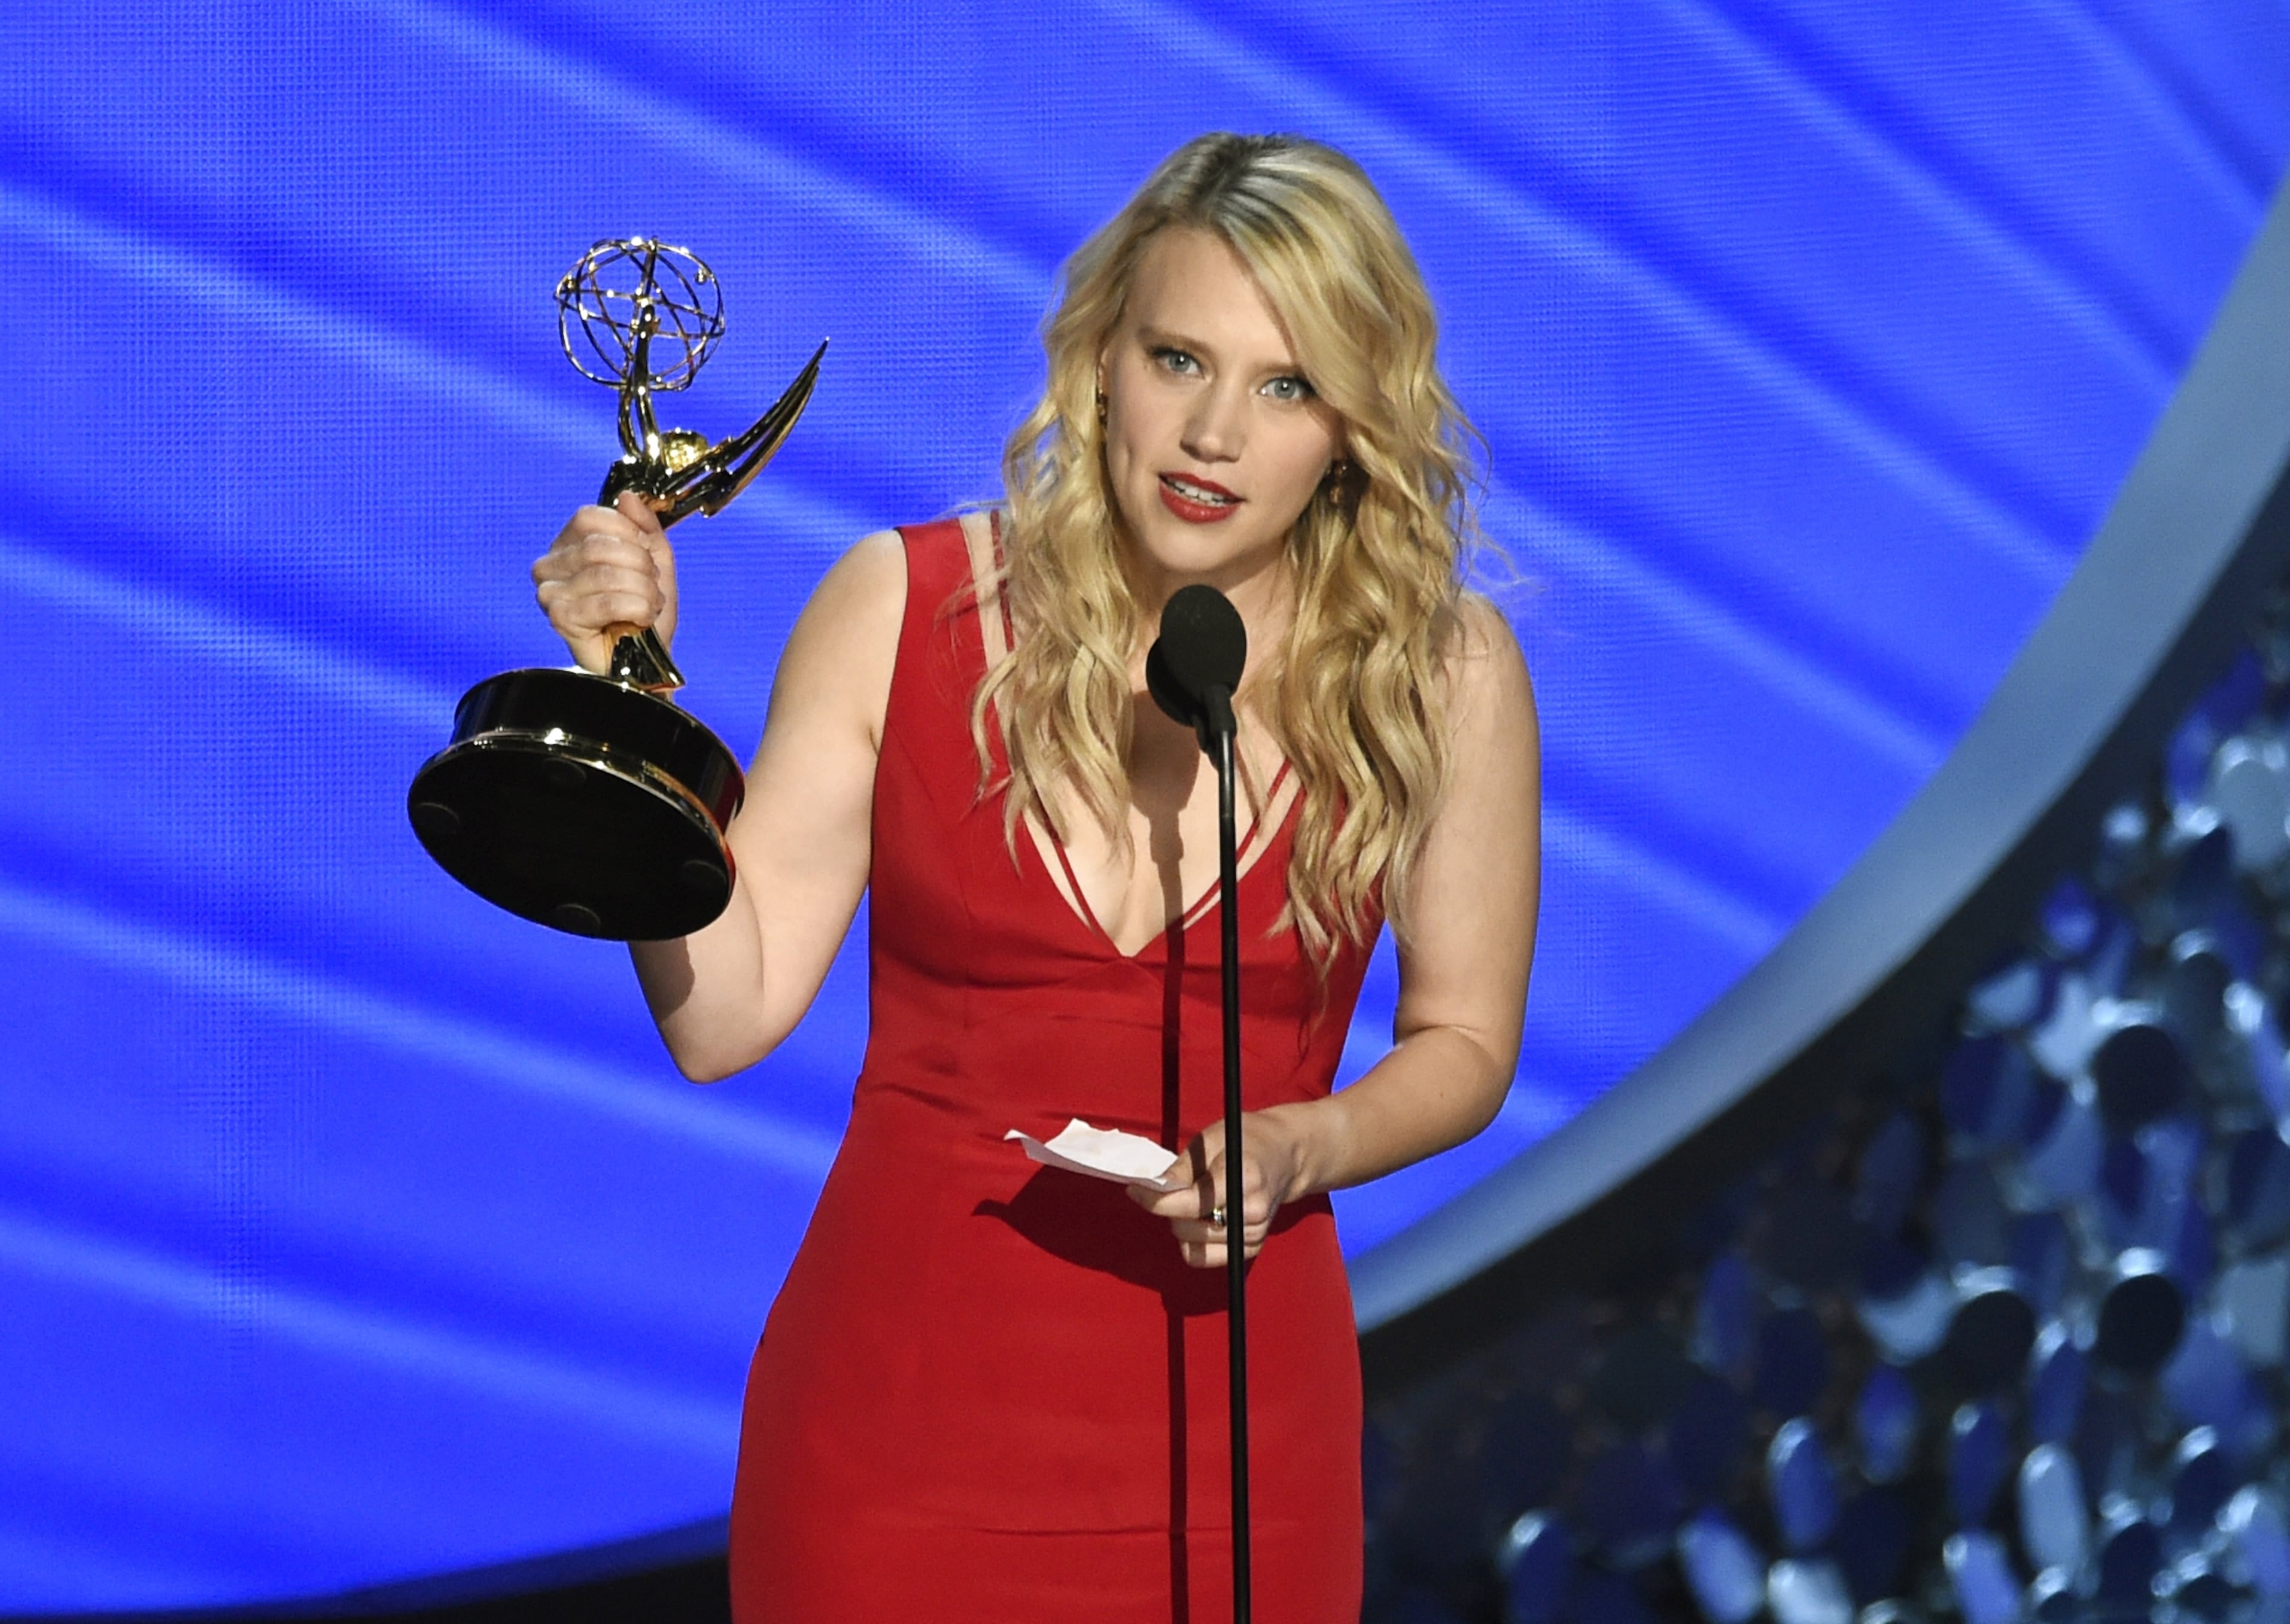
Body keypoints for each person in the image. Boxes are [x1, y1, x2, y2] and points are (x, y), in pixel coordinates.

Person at [532, 132, 1540, 1623]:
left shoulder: (1440, 675)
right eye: (1177, 358)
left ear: (1351, 424)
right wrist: (636, 708)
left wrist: (1308, 1144)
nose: (1213, 433)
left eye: (1284, 385)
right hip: (891, 1451)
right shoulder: (903, 604)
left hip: (1236, 1468)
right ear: (1100, 361)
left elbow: (1464, 1041)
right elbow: (724, 1013)